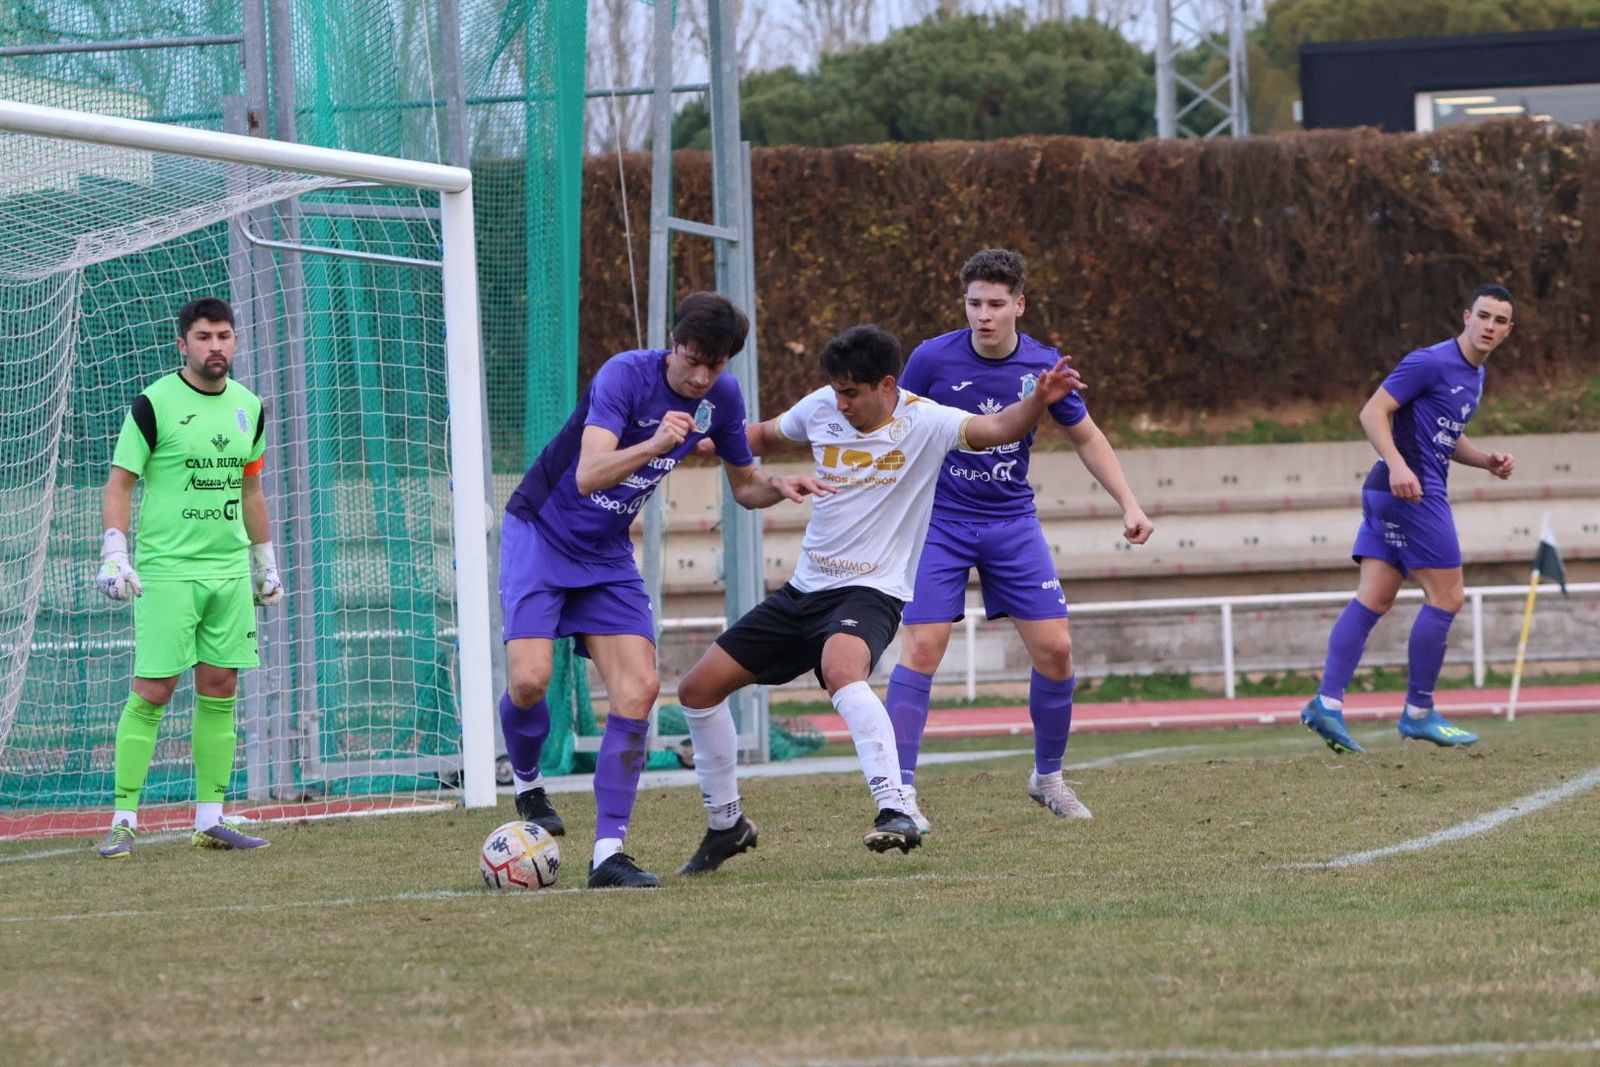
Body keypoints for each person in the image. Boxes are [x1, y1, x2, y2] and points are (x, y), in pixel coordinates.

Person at [674, 323, 1086, 875]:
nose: (840, 404)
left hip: (872, 591)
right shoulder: (822, 406)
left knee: (842, 668)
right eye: (836, 391)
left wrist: (1036, 399)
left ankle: (896, 807)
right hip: (805, 588)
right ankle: (726, 824)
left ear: (887, 385)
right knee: (697, 689)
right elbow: (762, 436)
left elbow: (994, 427)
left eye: (852, 394)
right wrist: (691, 440)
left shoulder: (927, 420)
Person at [499, 292, 832, 889]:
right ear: (672, 344)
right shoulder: (624, 375)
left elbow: (744, 487)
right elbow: (588, 472)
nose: (701, 376)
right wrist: (655, 443)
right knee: (529, 681)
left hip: (604, 554)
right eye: (693, 359)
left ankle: (608, 855)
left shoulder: (721, 399)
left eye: (716, 365)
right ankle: (527, 786)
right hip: (542, 531)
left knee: (641, 689)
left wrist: (778, 486)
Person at [884, 249, 1153, 833]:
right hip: (940, 524)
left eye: (996, 304)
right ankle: (898, 793)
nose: (984, 315)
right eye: (974, 303)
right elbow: (893, 431)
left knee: (1056, 650)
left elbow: (1085, 437)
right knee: (923, 648)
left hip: (1011, 524)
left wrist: (1128, 503)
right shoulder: (931, 358)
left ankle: (1048, 778)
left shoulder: (1044, 365)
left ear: (1019, 305)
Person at [95, 296, 284, 858]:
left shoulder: (250, 407)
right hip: (167, 572)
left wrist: (265, 562)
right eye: (204, 337)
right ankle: (124, 818)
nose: (216, 346)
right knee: (154, 689)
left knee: (221, 688)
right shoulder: (153, 404)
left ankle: (210, 818)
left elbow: (251, 489)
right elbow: (120, 484)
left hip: (227, 572)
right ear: (184, 344)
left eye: (224, 336)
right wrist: (114, 551)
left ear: (235, 340)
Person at [1300, 284, 1517, 753]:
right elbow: (1373, 411)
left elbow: (1445, 435)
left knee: (1374, 598)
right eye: (1483, 316)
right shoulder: (1431, 361)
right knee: (1448, 595)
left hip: (1387, 491)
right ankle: (1419, 711)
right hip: (1410, 490)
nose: (1489, 327)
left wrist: (1485, 461)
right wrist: (1399, 464)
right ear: (1466, 315)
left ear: (1508, 331)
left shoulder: (1474, 376)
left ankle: (1327, 703)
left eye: (1499, 321)